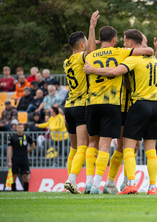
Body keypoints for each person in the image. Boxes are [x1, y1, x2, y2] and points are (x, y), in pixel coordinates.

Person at [85, 29, 157, 195]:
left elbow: (115, 70)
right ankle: (113, 182)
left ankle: (123, 182)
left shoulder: (131, 57)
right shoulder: (133, 56)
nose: (122, 43)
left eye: (125, 41)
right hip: (125, 106)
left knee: (131, 146)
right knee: (124, 147)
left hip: (134, 106)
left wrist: (93, 69)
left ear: (131, 44)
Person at [62, 11, 100, 194]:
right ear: (83, 44)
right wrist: (92, 26)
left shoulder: (67, 62)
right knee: (84, 145)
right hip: (81, 105)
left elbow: (88, 51)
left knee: (74, 147)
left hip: (68, 106)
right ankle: (71, 179)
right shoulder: (81, 57)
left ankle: (70, 182)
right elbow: (90, 54)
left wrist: (91, 42)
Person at [7, 123, 35, 191]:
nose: (19, 129)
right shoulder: (12, 137)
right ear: (16, 128)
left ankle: (26, 192)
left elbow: (33, 146)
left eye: (21, 128)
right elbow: (9, 150)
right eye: (18, 128)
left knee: (25, 176)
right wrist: (10, 161)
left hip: (24, 158)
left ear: (23, 128)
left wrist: (27, 152)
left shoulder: (27, 136)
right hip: (15, 158)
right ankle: (13, 191)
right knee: (14, 176)